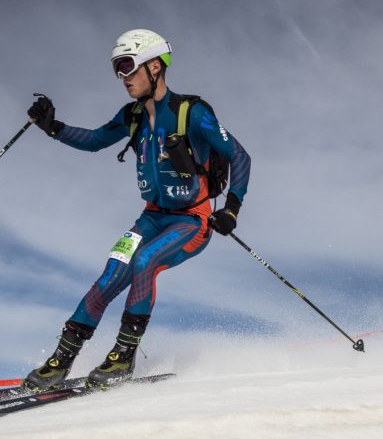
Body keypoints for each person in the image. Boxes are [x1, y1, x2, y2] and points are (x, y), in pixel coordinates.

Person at [22, 29, 251, 390]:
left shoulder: (192, 113)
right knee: (112, 273)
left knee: (145, 263)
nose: (123, 77)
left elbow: (239, 155)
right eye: (117, 69)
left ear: (156, 66)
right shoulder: (131, 116)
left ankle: (122, 358)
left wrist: (232, 209)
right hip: (151, 217)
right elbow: (97, 140)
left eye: (128, 66)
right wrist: (53, 127)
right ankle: (60, 361)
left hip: (191, 221)